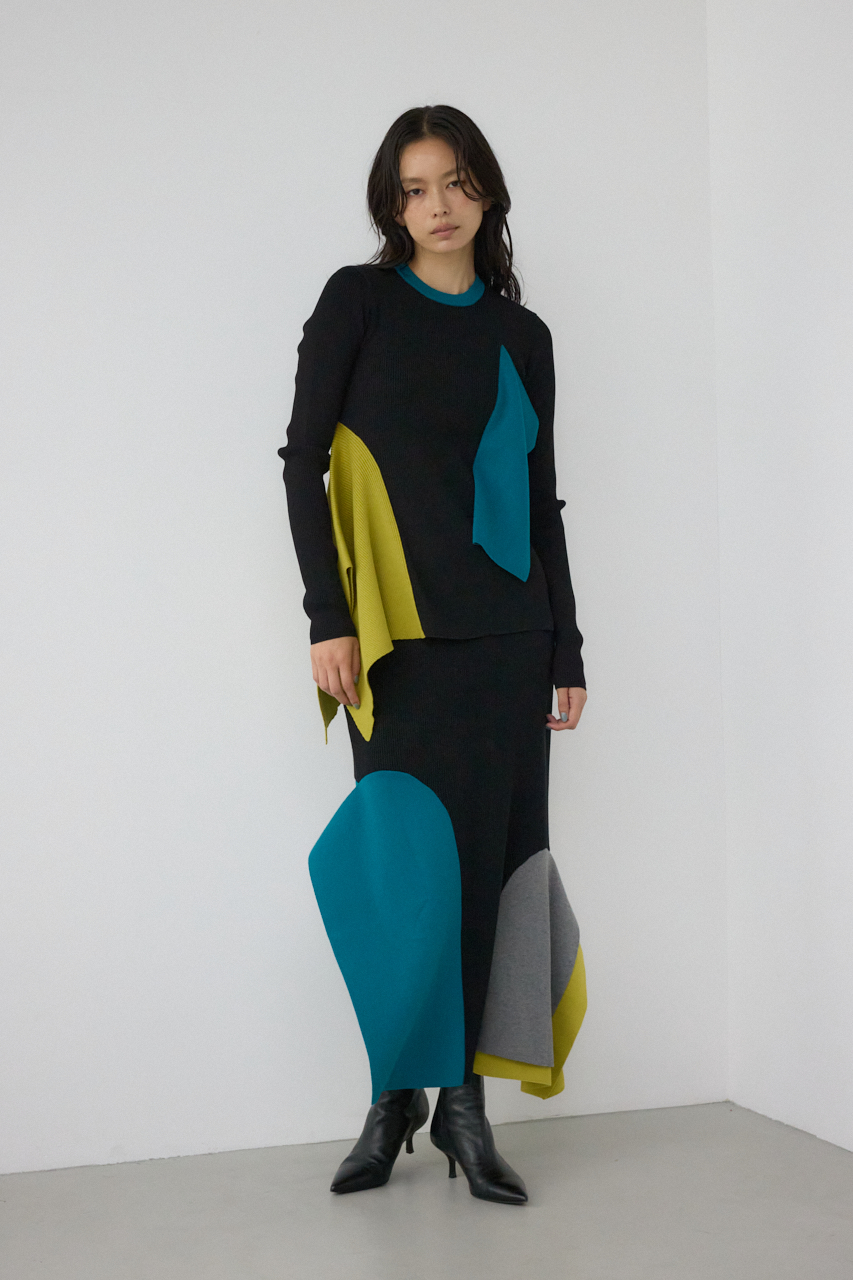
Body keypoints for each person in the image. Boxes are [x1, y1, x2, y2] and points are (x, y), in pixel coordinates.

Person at [279, 105, 588, 1205]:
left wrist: (566, 643)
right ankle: (392, 1097)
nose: (438, 205)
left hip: (508, 639)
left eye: (455, 181)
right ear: (392, 206)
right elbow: (303, 461)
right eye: (415, 189)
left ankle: (463, 1107)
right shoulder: (357, 303)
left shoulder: (522, 334)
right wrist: (327, 616)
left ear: (485, 190)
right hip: (398, 643)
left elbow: (539, 502)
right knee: (405, 875)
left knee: (494, 869)